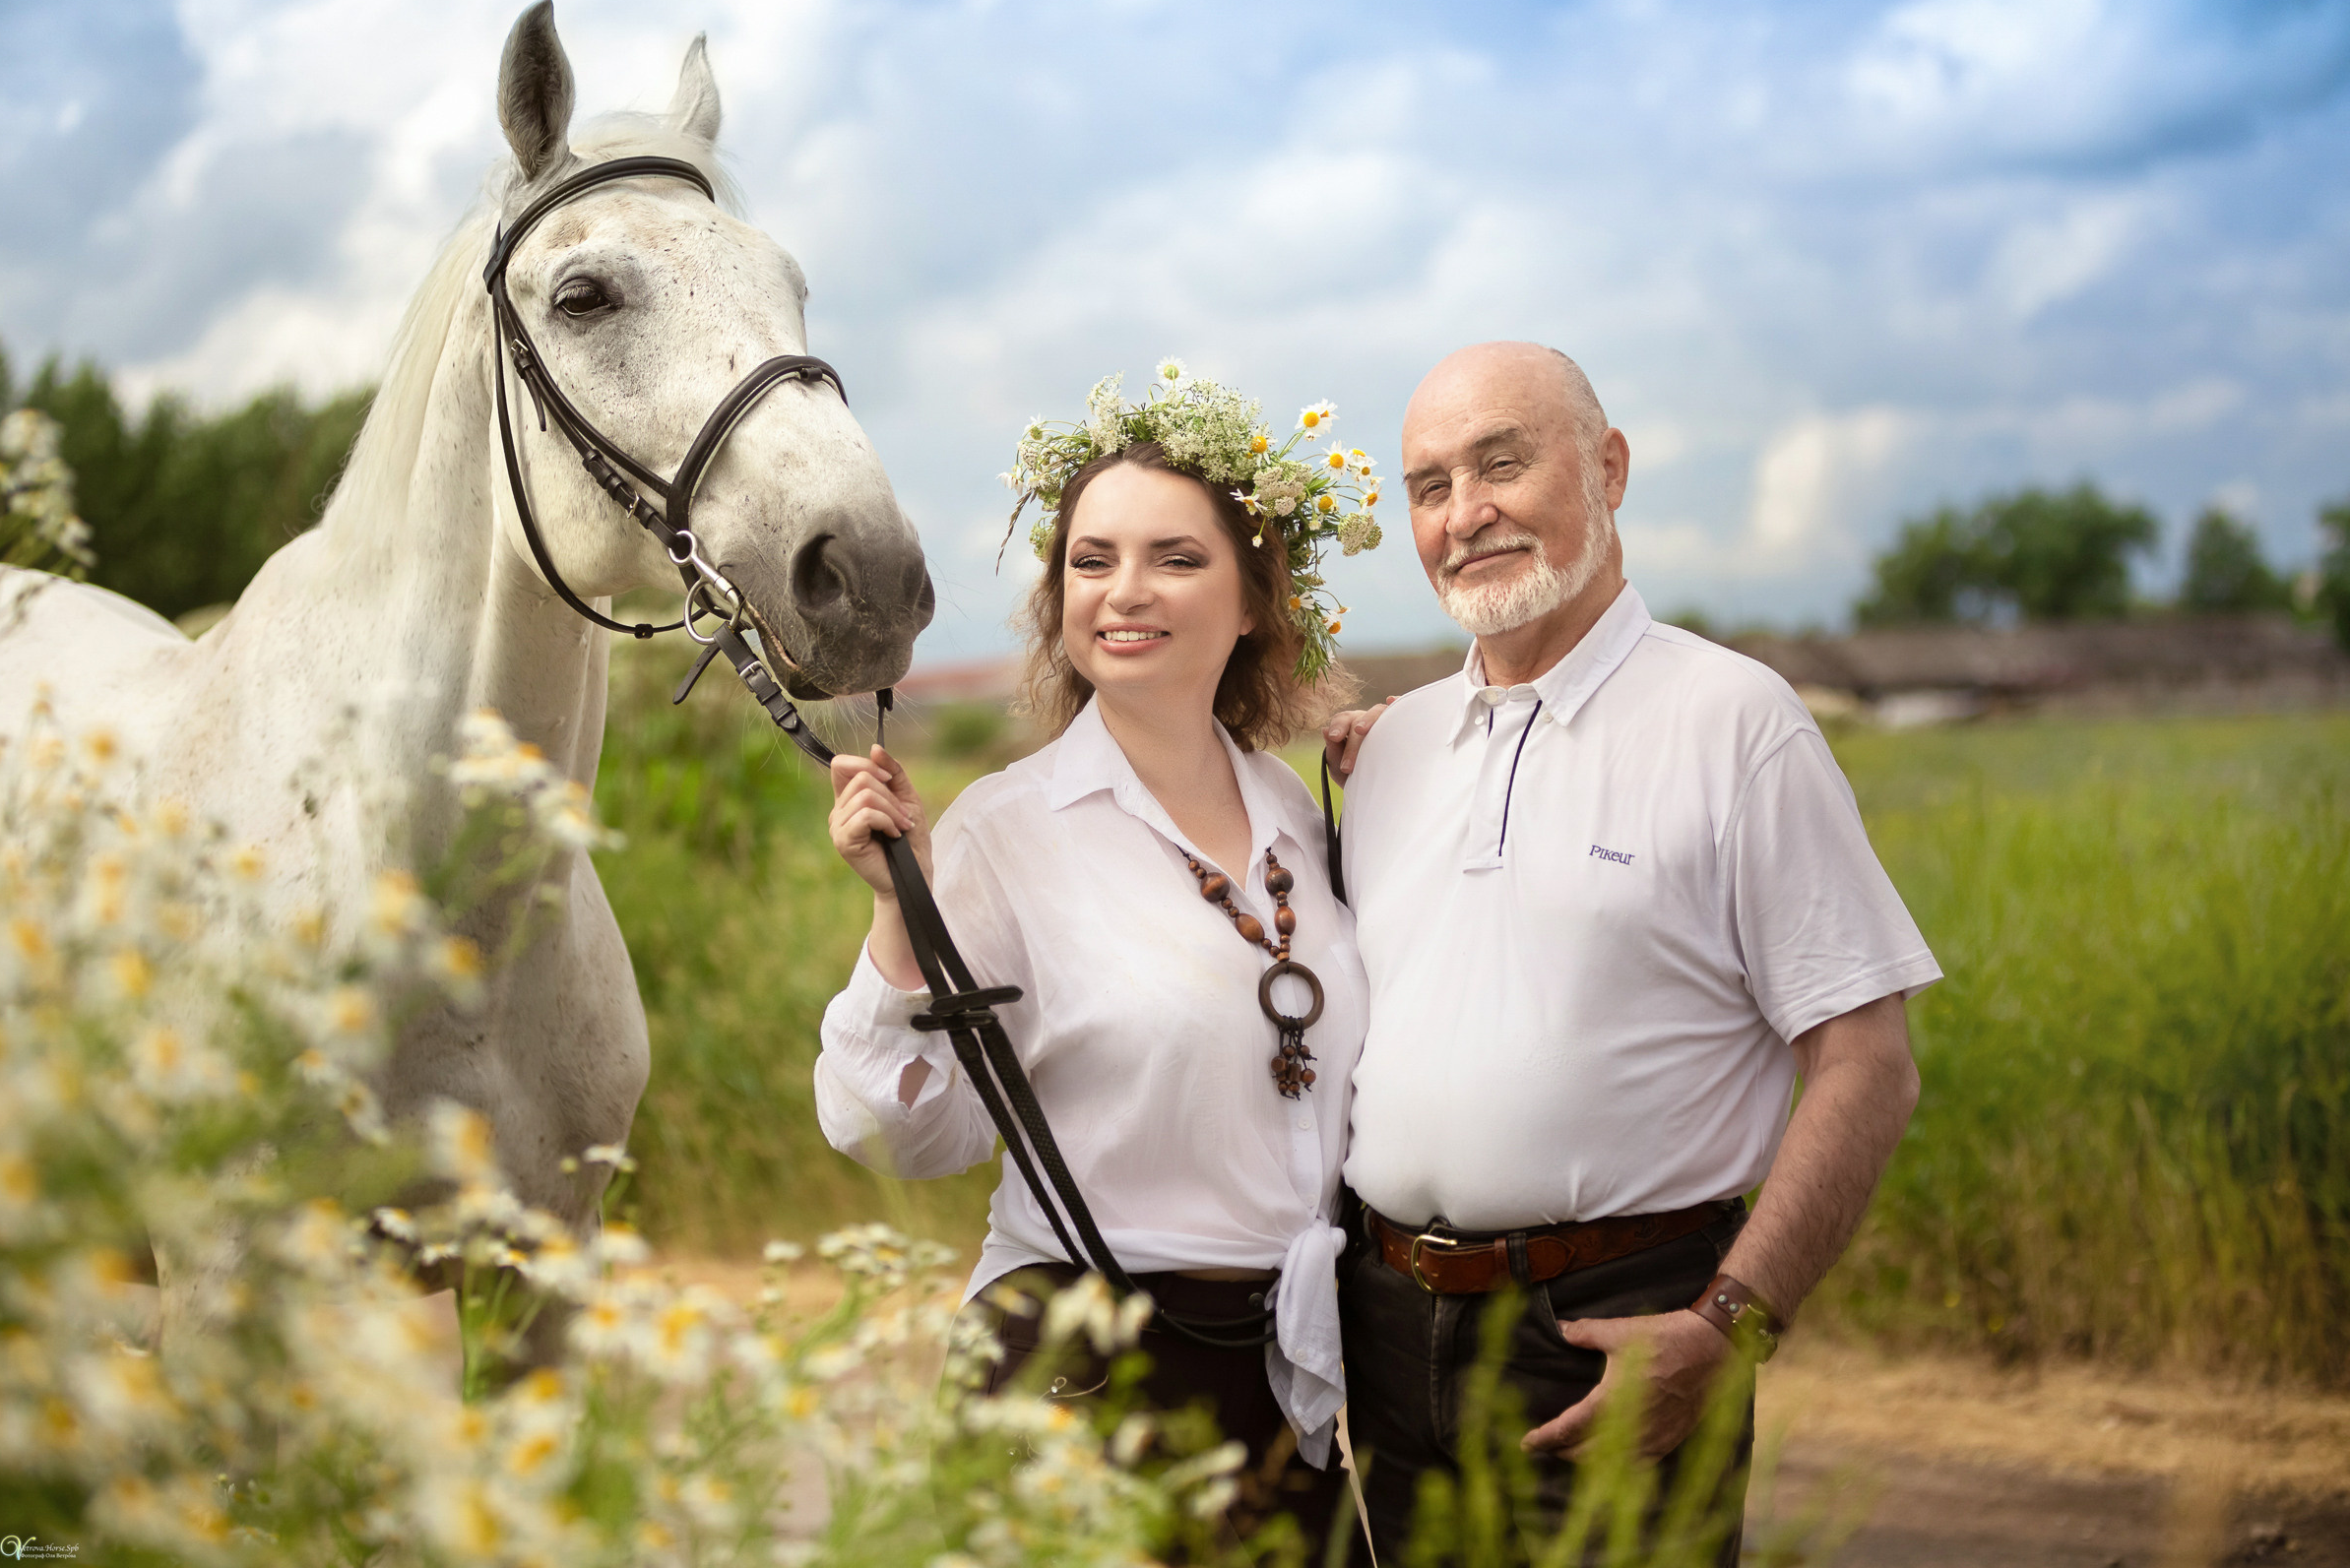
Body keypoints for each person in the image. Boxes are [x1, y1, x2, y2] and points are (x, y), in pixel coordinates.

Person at [1319, 342, 1939, 1562]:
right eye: (1431, 485)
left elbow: (1868, 1061)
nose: (1467, 512)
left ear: (1607, 468)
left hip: (1611, 1328)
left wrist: (1730, 1323)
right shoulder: (1390, 751)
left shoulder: (1734, 721)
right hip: (1385, 1331)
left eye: (1503, 463)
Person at [813, 365, 1386, 1552]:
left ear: (1250, 598)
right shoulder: (1003, 832)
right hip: (1075, 1371)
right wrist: (893, 914)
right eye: (1090, 559)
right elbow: (897, 1135)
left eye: (1176, 557)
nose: (1124, 592)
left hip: (1283, 1382)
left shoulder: (1307, 813)